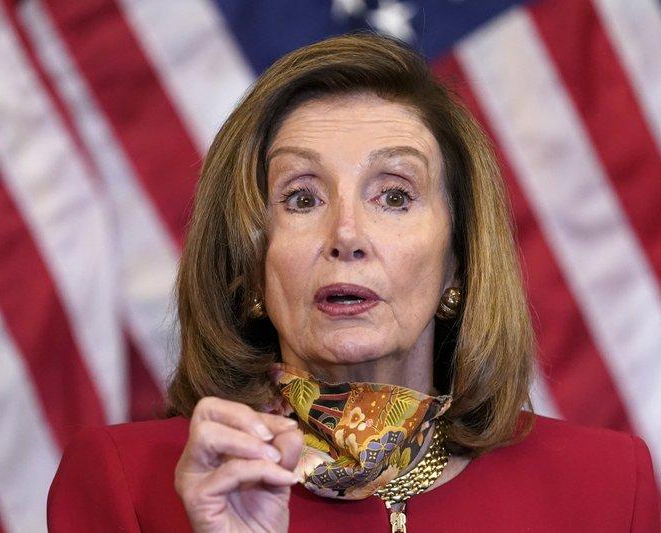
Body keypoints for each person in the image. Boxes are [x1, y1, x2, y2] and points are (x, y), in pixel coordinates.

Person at [47, 33, 660, 532]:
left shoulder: (606, 487)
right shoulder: (125, 484)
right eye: (301, 198)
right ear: (250, 265)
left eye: (395, 195)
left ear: (458, 264)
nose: (345, 233)